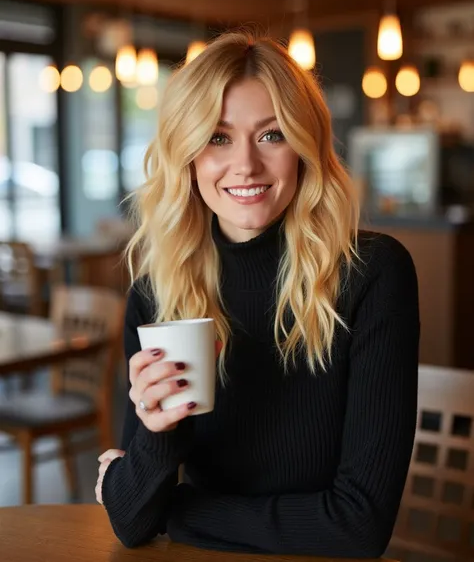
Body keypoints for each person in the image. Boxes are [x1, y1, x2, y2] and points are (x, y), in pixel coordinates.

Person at [96, 32, 419, 557]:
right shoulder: (159, 292)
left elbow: (358, 528)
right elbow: (132, 523)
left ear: (305, 147)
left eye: (271, 135)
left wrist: (175, 510)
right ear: (187, 154)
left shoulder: (371, 273)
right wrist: (156, 438)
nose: (245, 165)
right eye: (218, 138)